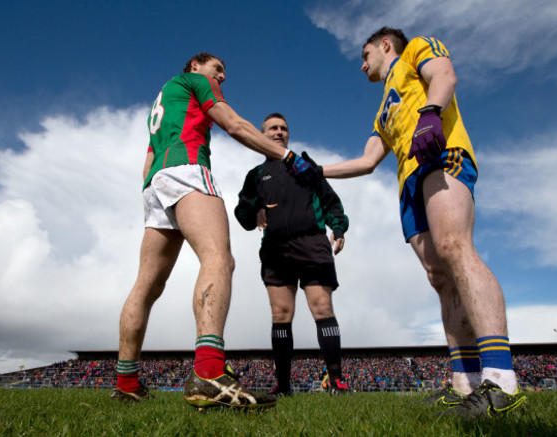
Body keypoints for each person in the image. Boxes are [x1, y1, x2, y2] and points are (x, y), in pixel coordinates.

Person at [315, 27, 527, 418]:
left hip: (440, 154)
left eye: (365, 55)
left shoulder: (416, 49)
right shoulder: (384, 108)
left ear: (384, 45)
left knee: (454, 248)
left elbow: (445, 76)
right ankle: (466, 384)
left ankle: (502, 380)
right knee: (439, 276)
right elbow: (366, 161)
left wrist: (431, 113)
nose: (362, 65)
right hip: (407, 182)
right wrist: (317, 171)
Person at [111, 53, 318, 409]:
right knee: (219, 259)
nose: (222, 76)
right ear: (195, 66)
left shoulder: (161, 99)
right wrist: (286, 156)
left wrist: (152, 193)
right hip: (187, 168)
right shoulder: (195, 82)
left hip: (155, 182)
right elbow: (234, 124)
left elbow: (148, 156)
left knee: (146, 285)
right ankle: (208, 371)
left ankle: (126, 382)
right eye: (217, 69)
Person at [234, 113, 350, 396]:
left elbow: (332, 202)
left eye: (283, 128)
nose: (278, 132)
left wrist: (338, 228)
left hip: (312, 243)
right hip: (275, 247)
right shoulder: (256, 175)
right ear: (262, 135)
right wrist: (256, 209)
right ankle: (283, 387)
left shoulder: (306, 167)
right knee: (280, 314)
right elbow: (242, 214)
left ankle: (336, 381)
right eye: (272, 128)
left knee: (322, 308)